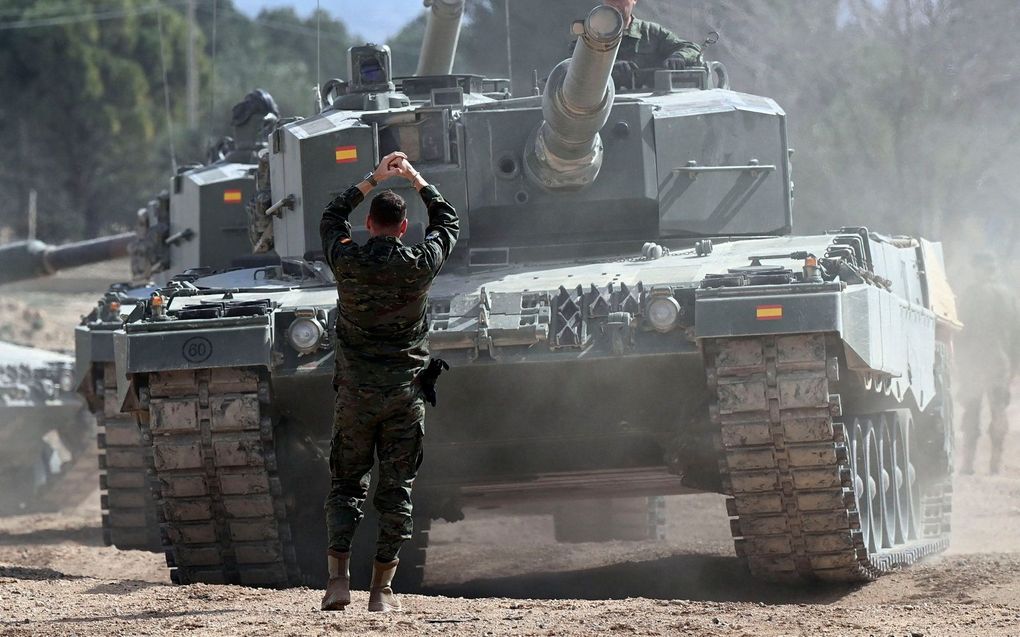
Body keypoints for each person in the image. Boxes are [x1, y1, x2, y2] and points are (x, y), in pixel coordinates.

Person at [319, 151, 459, 612]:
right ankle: (381, 591)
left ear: (369, 226)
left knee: (346, 487)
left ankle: (338, 582)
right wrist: (417, 180)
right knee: (395, 492)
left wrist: (372, 179)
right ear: (402, 228)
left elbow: (331, 216)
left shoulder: (347, 260)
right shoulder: (419, 264)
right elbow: (447, 223)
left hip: (356, 397)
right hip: (404, 396)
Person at [955, 258, 1020, 475]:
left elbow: (960, 328)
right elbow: (1016, 334)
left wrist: (960, 361)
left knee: (972, 411)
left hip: (975, 361)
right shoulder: (1008, 296)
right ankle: (996, 462)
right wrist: (1014, 365)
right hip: (999, 361)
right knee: (999, 411)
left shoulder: (972, 294)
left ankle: (968, 463)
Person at [601, 0, 702, 87]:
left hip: (651, 99)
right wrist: (608, 67)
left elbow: (692, 48)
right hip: (606, 103)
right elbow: (585, 66)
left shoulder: (651, 32)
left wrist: (679, 56)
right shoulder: (593, 34)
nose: (615, 4)